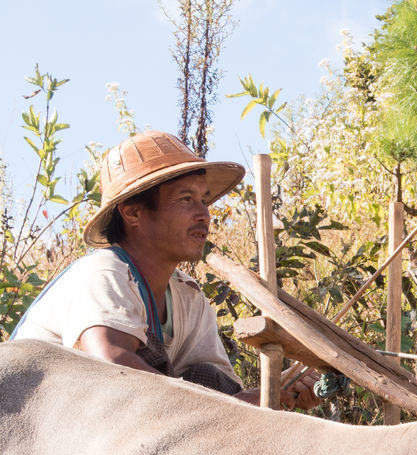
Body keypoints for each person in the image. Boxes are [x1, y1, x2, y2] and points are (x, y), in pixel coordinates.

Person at [12, 130, 319, 409]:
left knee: (205, 379)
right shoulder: (105, 272)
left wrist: (272, 394)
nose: (204, 215)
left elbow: (219, 392)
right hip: (33, 433)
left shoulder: (188, 298)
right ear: (134, 212)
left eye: (204, 200)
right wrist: (235, 407)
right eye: (186, 199)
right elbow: (111, 365)